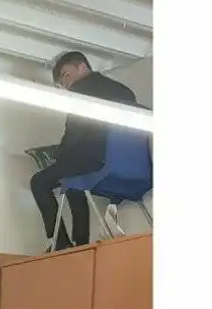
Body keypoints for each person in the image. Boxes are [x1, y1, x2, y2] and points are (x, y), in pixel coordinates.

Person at [30, 51, 138, 251]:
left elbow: (74, 131)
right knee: (73, 177)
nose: (66, 84)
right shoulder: (126, 92)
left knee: (38, 182)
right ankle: (80, 245)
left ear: (81, 67)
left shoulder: (81, 90)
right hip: (132, 166)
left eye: (66, 75)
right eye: (61, 83)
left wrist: (58, 154)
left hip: (95, 160)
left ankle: (60, 243)